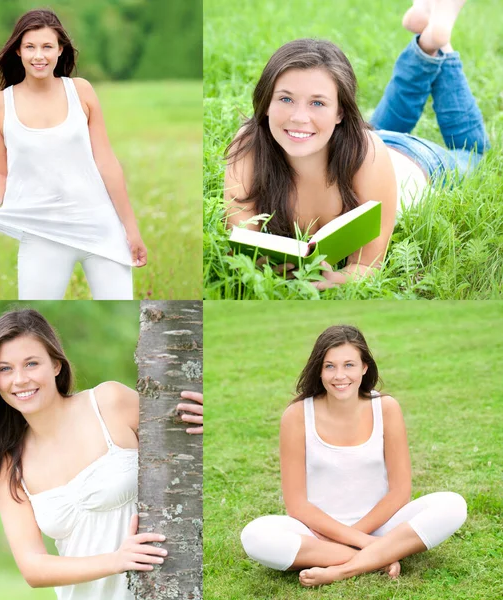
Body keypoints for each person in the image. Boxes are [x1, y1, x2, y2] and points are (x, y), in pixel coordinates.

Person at [225, 0, 488, 289]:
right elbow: (242, 243)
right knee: (380, 125)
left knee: (473, 154)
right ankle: (425, 43)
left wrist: (336, 281)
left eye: (317, 102)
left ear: (340, 112)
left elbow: (366, 265)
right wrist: (264, 267)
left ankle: (440, 43)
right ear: (266, 104)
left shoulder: (368, 153)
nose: (299, 117)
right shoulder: (250, 144)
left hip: (409, 162)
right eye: (286, 99)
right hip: (346, 141)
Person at [0, 309, 165, 599]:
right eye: (5, 369)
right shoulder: (10, 465)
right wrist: (116, 560)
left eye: (31, 363)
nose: (19, 380)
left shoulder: (109, 402)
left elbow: (181, 444)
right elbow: (33, 567)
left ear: (56, 365)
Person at [240, 325, 467, 587]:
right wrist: (364, 543)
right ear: (319, 370)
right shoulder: (297, 415)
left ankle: (343, 569)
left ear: (364, 368)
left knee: (452, 504)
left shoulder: (386, 408)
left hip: (382, 527)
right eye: (330, 366)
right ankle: (379, 557)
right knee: (255, 536)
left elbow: (400, 492)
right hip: (318, 532)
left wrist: (356, 535)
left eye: (349, 365)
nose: (339, 376)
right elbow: (297, 505)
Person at [0, 9, 146, 300]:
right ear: (18, 50)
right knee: (34, 311)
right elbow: (1, 172)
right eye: (30, 47)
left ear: (60, 50)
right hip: (42, 232)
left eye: (47, 47)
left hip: (100, 226)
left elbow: (107, 162)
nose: (38, 56)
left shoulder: (81, 91)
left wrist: (130, 230)